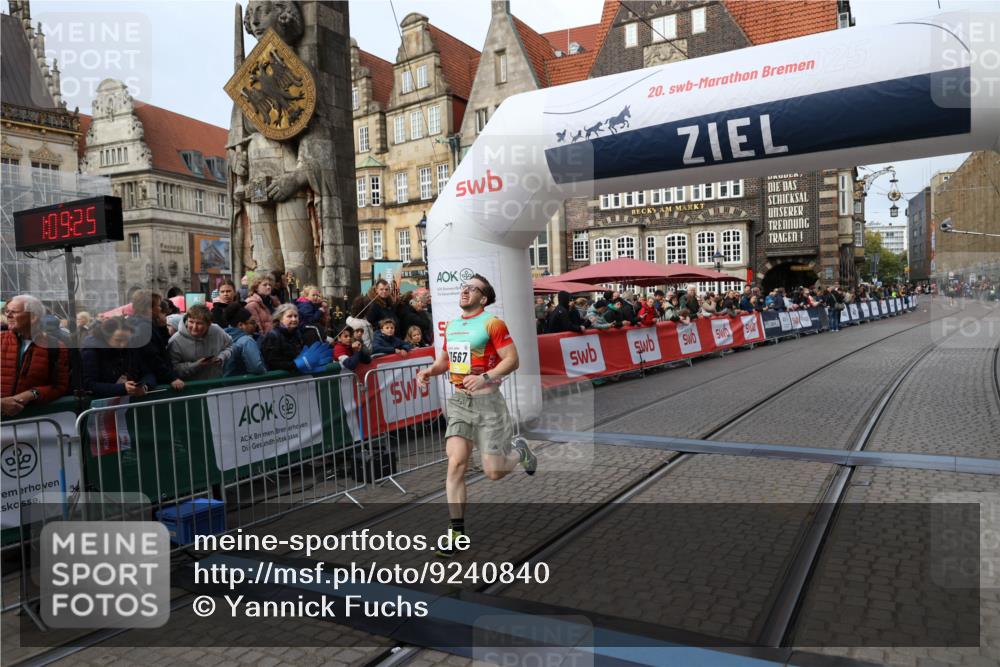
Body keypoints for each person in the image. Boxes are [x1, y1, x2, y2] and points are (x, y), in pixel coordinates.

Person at [415, 274, 536, 557]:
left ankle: (520, 452)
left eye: (472, 288)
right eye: (464, 287)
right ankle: (456, 533)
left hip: (488, 402)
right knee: (456, 462)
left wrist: (485, 377)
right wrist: (429, 371)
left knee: (493, 472)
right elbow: (445, 361)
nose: (465, 291)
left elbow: (512, 360)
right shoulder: (453, 325)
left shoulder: (493, 324)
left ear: (484, 297)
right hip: (460, 401)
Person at [1, 295, 70, 416]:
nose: (8, 315)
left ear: (33, 317)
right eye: (7, 311)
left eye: (14, 312)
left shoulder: (55, 346)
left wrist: (32, 394)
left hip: (32, 421)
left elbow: (59, 386)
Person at [80, 317, 156, 398]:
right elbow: (88, 384)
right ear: (106, 337)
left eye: (127, 339)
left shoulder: (131, 347)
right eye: (118, 340)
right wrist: (121, 388)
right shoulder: (91, 351)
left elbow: (147, 373)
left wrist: (145, 386)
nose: (123, 344)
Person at [127, 290, 185, 391]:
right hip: (149, 378)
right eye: (158, 305)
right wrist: (171, 378)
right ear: (149, 308)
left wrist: (162, 327)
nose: (160, 308)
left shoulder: (144, 323)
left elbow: (161, 344)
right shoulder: (143, 327)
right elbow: (152, 357)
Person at [167, 304, 233, 381]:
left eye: (199, 323)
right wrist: (196, 365)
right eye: (191, 322)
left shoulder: (217, 331)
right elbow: (173, 369)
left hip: (216, 382)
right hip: (191, 386)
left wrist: (221, 357)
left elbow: (229, 345)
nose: (194, 327)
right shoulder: (175, 341)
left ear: (208, 324)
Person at [260, 303, 320, 372]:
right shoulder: (273, 336)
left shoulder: (298, 333)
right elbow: (272, 362)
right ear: (280, 319)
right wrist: (296, 365)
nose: (294, 319)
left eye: (296, 316)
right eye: (289, 316)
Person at [223, 304, 267, 376]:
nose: (256, 325)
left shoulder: (222, 338)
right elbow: (256, 368)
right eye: (252, 323)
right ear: (241, 325)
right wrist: (265, 372)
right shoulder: (247, 341)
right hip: (246, 381)